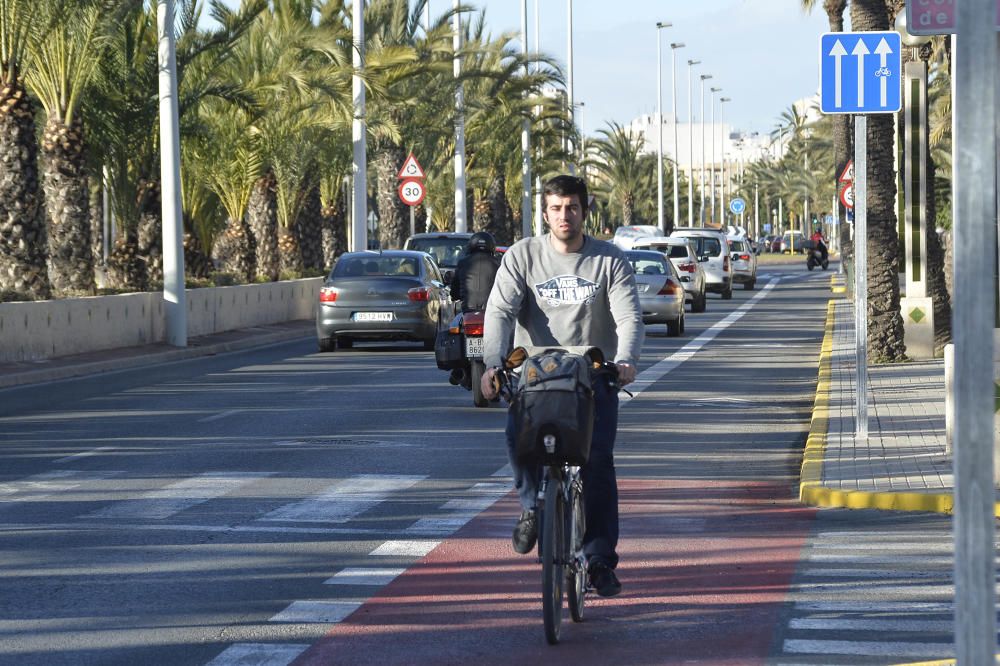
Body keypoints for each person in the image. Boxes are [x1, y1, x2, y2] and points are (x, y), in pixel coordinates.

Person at [480, 174, 643, 598]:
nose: (564, 215)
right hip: (536, 374)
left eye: (571, 206)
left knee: (598, 463)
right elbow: (498, 311)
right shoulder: (522, 256)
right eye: (555, 208)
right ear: (545, 213)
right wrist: (493, 365)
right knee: (519, 440)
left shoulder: (609, 260)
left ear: (585, 211)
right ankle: (532, 506)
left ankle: (600, 559)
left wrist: (625, 361)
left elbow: (628, 317)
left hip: (593, 375)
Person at [449, 231, 501, 313]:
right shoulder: (498, 264)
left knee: (454, 324)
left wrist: (457, 296)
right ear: (491, 246)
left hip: (468, 311)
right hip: (491, 312)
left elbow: (454, 292)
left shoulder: (462, 263)